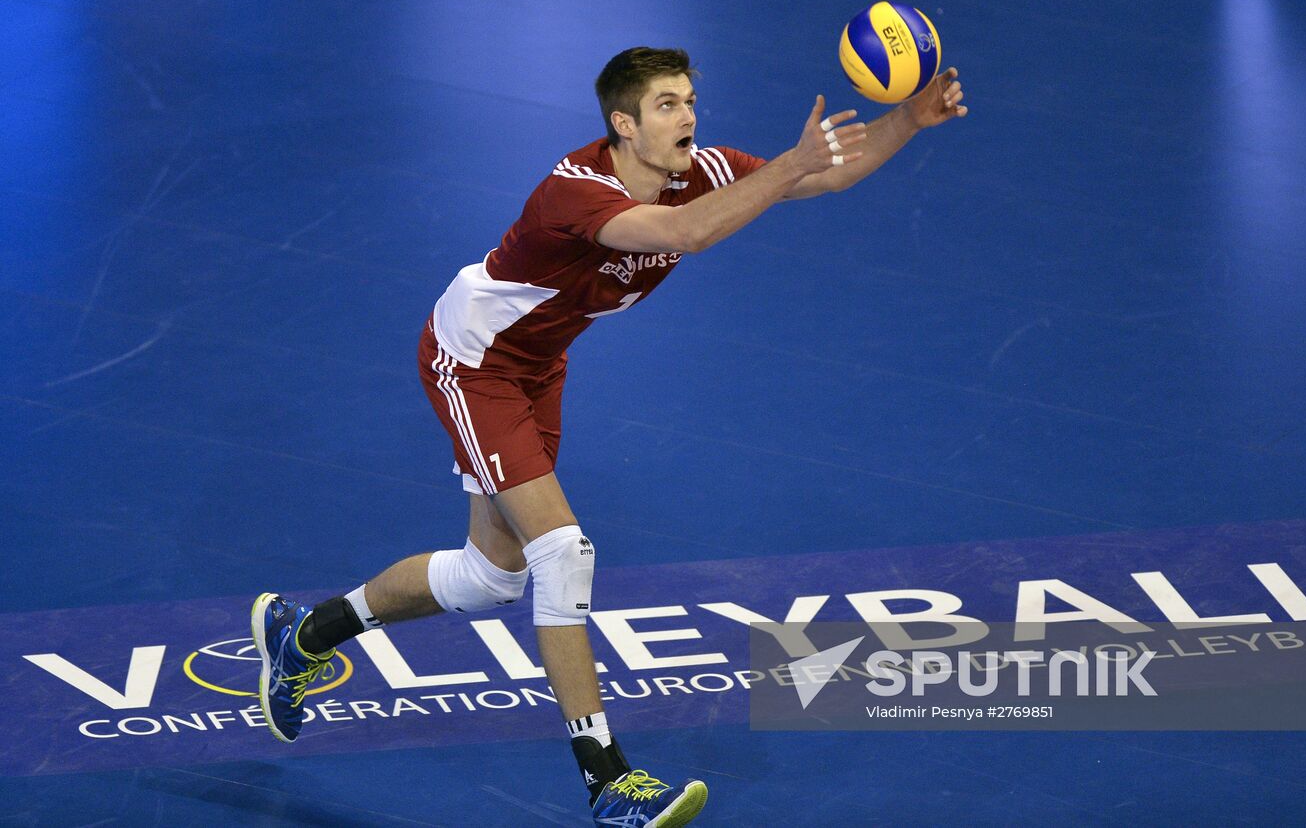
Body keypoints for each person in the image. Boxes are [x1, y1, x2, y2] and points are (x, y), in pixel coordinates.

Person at [251, 47, 967, 826]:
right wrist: (789, 160)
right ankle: (608, 781)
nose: (688, 115)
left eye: (691, 99)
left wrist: (908, 119)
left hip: (539, 364)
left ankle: (305, 633)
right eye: (666, 105)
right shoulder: (575, 190)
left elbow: (823, 175)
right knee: (563, 551)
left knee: (489, 577)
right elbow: (690, 234)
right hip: (475, 360)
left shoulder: (702, 169)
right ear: (623, 125)